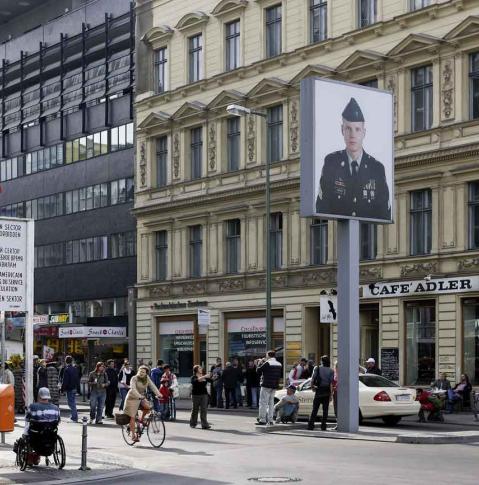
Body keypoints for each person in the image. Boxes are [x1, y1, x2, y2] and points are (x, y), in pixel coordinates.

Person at [316, 97, 390, 220]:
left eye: (357, 129)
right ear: (342, 130)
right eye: (348, 128)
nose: (353, 135)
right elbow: (322, 207)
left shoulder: (377, 168)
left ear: (364, 132)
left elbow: (384, 213)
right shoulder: (331, 163)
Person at [123, 366, 161, 442]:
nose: (141, 373)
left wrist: (158, 394)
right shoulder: (134, 378)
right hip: (132, 398)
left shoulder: (147, 378)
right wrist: (139, 396)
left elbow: (152, 386)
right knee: (132, 417)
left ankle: (141, 419)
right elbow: (133, 389)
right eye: (140, 371)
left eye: (143, 372)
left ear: (146, 373)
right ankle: (133, 435)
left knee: (148, 407)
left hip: (141, 397)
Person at [256, 350, 282, 426]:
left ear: (268, 355)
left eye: (266, 355)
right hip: (274, 385)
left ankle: (262, 419)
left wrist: (259, 363)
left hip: (266, 385)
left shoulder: (267, 363)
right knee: (271, 403)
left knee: (263, 402)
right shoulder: (279, 364)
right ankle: (270, 420)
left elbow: (258, 371)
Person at [308, 355, 334, 431]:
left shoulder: (317, 368)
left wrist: (312, 387)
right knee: (325, 410)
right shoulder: (331, 370)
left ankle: (311, 425)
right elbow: (331, 383)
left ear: (321, 361)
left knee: (315, 409)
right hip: (327, 391)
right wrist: (331, 395)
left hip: (319, 390)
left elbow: (312, 379)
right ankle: (323, 426)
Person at [190, 365, 212, 429]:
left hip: (204, 395)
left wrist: (213, 375)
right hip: (195, 395)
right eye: (199, 368)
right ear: (196, 370)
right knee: (195, 410)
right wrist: (204, 376)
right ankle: (193, 423)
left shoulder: (204, 377)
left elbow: (211, 380)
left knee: (204, 410)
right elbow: (196, 381)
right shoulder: (193, 377)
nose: (201, 369)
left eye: (201, 368)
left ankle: (204, 424)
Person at [60, 355, 80, 422]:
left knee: (71, 403)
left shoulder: (67, 369)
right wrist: (78, 388)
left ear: (66, 361)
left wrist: (62, 389)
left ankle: (74, 417)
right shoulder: (75, 369)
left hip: (69, 388)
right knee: (72, 402)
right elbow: (77, 379)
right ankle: (74, 416)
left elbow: (65, 381)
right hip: (74, 387)